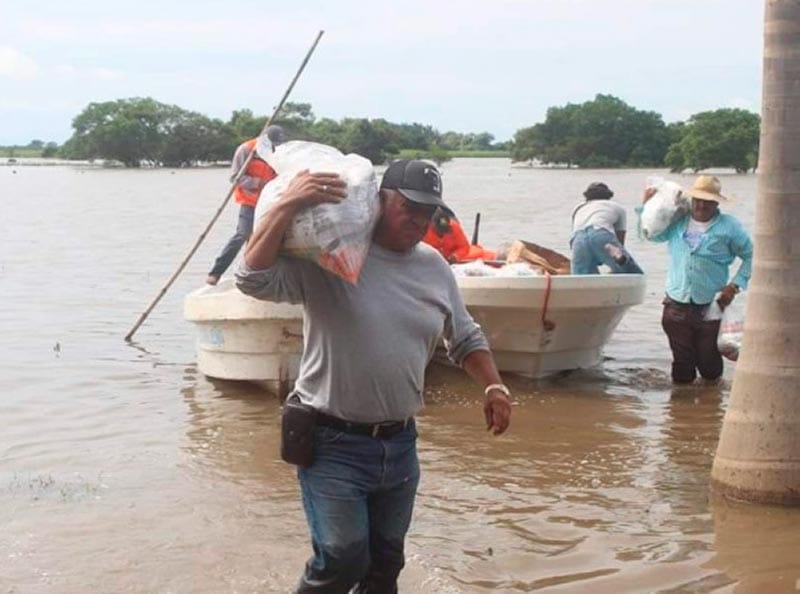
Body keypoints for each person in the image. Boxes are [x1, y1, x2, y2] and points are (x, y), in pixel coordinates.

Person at [236, 159, 512, 593]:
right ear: (381, 201)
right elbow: (252, 278)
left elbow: (464, 336)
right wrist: (287, 204)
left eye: (429, 213)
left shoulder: (434, 266)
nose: (420, 222)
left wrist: (494, 385)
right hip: (331, 441)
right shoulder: (335, 257)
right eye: (409, 209)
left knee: (385, 565)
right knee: (342, 558)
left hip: (400, 444)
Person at [641, 174, 753, 384]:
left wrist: (735, 286)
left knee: (709, 365)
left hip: (710, 306)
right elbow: (651, 235)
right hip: (676, 305)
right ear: (691, 200)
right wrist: (646, 207)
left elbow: (751, 256)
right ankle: (681, 412)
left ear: (716, 202)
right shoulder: (677, 222)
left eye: (708, 201)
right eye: (697, 200)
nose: (701, 205)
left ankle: (710, 410)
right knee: (682, 365)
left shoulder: (729, 227)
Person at [206, 125, 286, 285]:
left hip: (269, 203)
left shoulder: (278, 152)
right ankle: (216, 272)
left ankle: (257, 277)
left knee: (267, 240)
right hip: (250, 202)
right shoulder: (246, 150)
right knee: (242, 235)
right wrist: (259, 183)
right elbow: (235, 177)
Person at [570, 182, 643, 274]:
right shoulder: (617, 207)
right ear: (608, 196)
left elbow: (573, 236)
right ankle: (620, 260)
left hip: (578, 239)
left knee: (583, 278)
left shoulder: (578, 208)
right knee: (632, 272)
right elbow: (620, 238)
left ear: (587, 196)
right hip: (601, 234)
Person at [422, 212, 497, 262]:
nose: (443, 233)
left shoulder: (454, 227)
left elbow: (464, 246)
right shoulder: (423, 230)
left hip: (453, 259)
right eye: (440, 230)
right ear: (432, 225)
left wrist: (455, 256)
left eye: (445, 230)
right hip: (431, 259)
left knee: (483, 255)